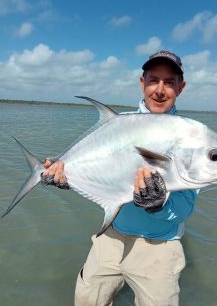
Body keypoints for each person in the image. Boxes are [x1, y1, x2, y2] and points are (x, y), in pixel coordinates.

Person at [42, 50, 198, 306]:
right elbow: (100, 171)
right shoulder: (116, 123)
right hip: (111, 235)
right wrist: (66, 176)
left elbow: (184, 208)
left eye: (169, 82)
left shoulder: (190, 136)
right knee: (86, 300)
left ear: (181, 88)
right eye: (153, 80)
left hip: (159, 247)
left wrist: (158, 205)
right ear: (142, 82)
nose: (160, 90)